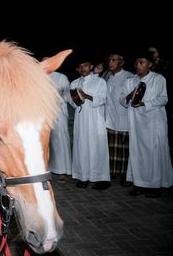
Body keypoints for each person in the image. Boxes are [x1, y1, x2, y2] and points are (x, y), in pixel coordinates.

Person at [121, 50, 173, 198]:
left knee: (154, 153)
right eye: (136, 62)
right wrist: (129, 96)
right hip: (136, 124)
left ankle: (155, 186)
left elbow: (163, 99)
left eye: (142, 62)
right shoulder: (130, 81)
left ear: (150, 64)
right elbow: (122, 101)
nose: (138, 65)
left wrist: (145, 103)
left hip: (153, 122)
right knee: (137, 153)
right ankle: (139, 184)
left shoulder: (158, 79)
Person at [69, 56, 111, 190]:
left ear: (91, 66)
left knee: (97, 146)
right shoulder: (74, 83)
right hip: (81, 119)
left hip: (96, 119)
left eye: (85, 65)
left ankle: (101, 178)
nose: (83, 68)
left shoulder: (100, 81)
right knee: (82, 146)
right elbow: (72, 102)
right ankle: (83, 176)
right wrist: (78, 101)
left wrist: (88, 96)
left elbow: (103, 98)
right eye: (80, 66)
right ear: (77, 69)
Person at [104, 54, 133, 186]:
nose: (110, 62)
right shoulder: (107, 76)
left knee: (124, 149)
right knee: (111, 149)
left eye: (114, 60)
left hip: (124, 118)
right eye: (109, 60)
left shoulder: (129, 77)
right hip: (109, 118)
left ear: (121, 62)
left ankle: (125, 175)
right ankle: (112, 172)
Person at [46, 67, 72, 183]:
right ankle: (47, 169)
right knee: (46, 142)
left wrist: (58, 97)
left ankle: (63, 171)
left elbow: (68, 96)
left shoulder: (62, 77)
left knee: (60, 141)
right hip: (43, 113)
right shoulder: (39, 75)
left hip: (58, 113)